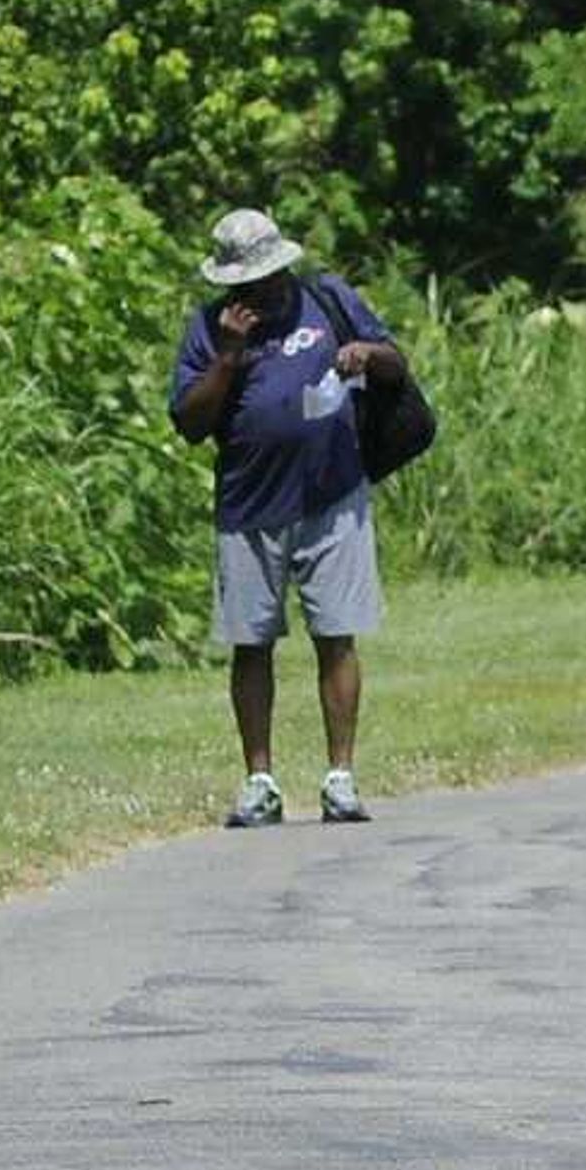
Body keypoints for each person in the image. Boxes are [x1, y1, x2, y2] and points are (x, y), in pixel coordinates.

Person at [168, 206, 407, 829]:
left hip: (334, 499)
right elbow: (190, 424)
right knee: (252, 646)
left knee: (337, 636)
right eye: (248, 283)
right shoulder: (209, 330)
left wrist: (364, 354)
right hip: (249, 510)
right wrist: (228, 357)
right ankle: (260, 782)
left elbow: (396, 363)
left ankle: (341, 779)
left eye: (271, 276)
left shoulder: (326, 300)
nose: (264, 290)